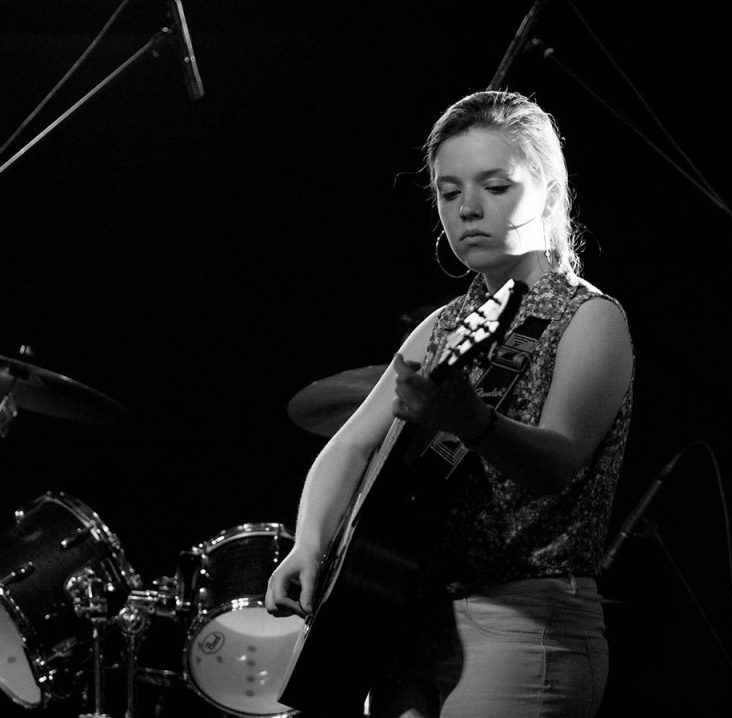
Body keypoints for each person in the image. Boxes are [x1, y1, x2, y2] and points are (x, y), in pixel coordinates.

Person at [265, 90, 634, 718]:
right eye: (448, 191)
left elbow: (556, 462)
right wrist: (310, 544)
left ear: (550, 196)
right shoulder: (444, 324)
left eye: (495, 186)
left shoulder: (589, 317)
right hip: (407, 615)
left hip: (523, 620)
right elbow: (350, 445)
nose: (468, 209)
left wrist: (474, 423)